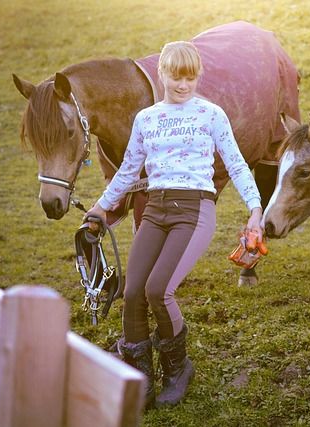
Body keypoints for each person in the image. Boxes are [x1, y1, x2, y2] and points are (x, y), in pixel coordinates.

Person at [83, 41, 264, 409]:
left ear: (197, 77)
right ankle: (142, 380)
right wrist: (100, 209)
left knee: (158, 291)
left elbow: (237, 163)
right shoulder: (146, 119)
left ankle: (178, 369)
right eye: (175, 76)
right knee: (132, 293)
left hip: (193, 211)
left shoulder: (211, 114)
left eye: (190, 77)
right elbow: (128, 170)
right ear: (161, 74)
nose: (182, 85)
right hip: (155, 210)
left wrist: (255, 210)